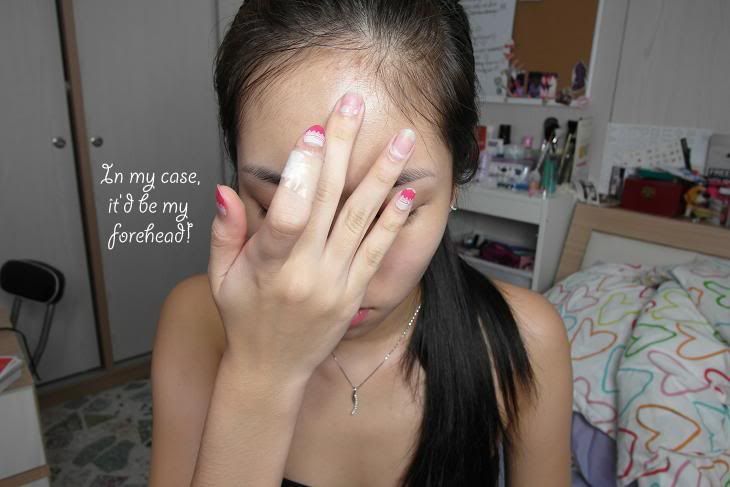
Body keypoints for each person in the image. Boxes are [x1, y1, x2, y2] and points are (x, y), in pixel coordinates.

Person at [149, 1, 572, 486]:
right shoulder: (195, 321)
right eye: (278, 203)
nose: (336, 273)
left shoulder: (525, 340)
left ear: (457, 179)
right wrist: (261, 377)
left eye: (391, 211)